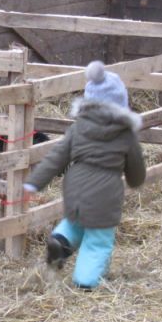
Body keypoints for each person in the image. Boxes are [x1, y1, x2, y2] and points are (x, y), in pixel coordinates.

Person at [23, 61, 146, 289]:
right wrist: (136, 180)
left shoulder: (77, 128)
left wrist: (33, 183)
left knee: (75, 222)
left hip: (75, 187)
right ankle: (85, 281)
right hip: (105, 192)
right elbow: (136, 168)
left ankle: (60, 241)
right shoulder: (126, 134)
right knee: (98, 240)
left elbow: (56, 157)